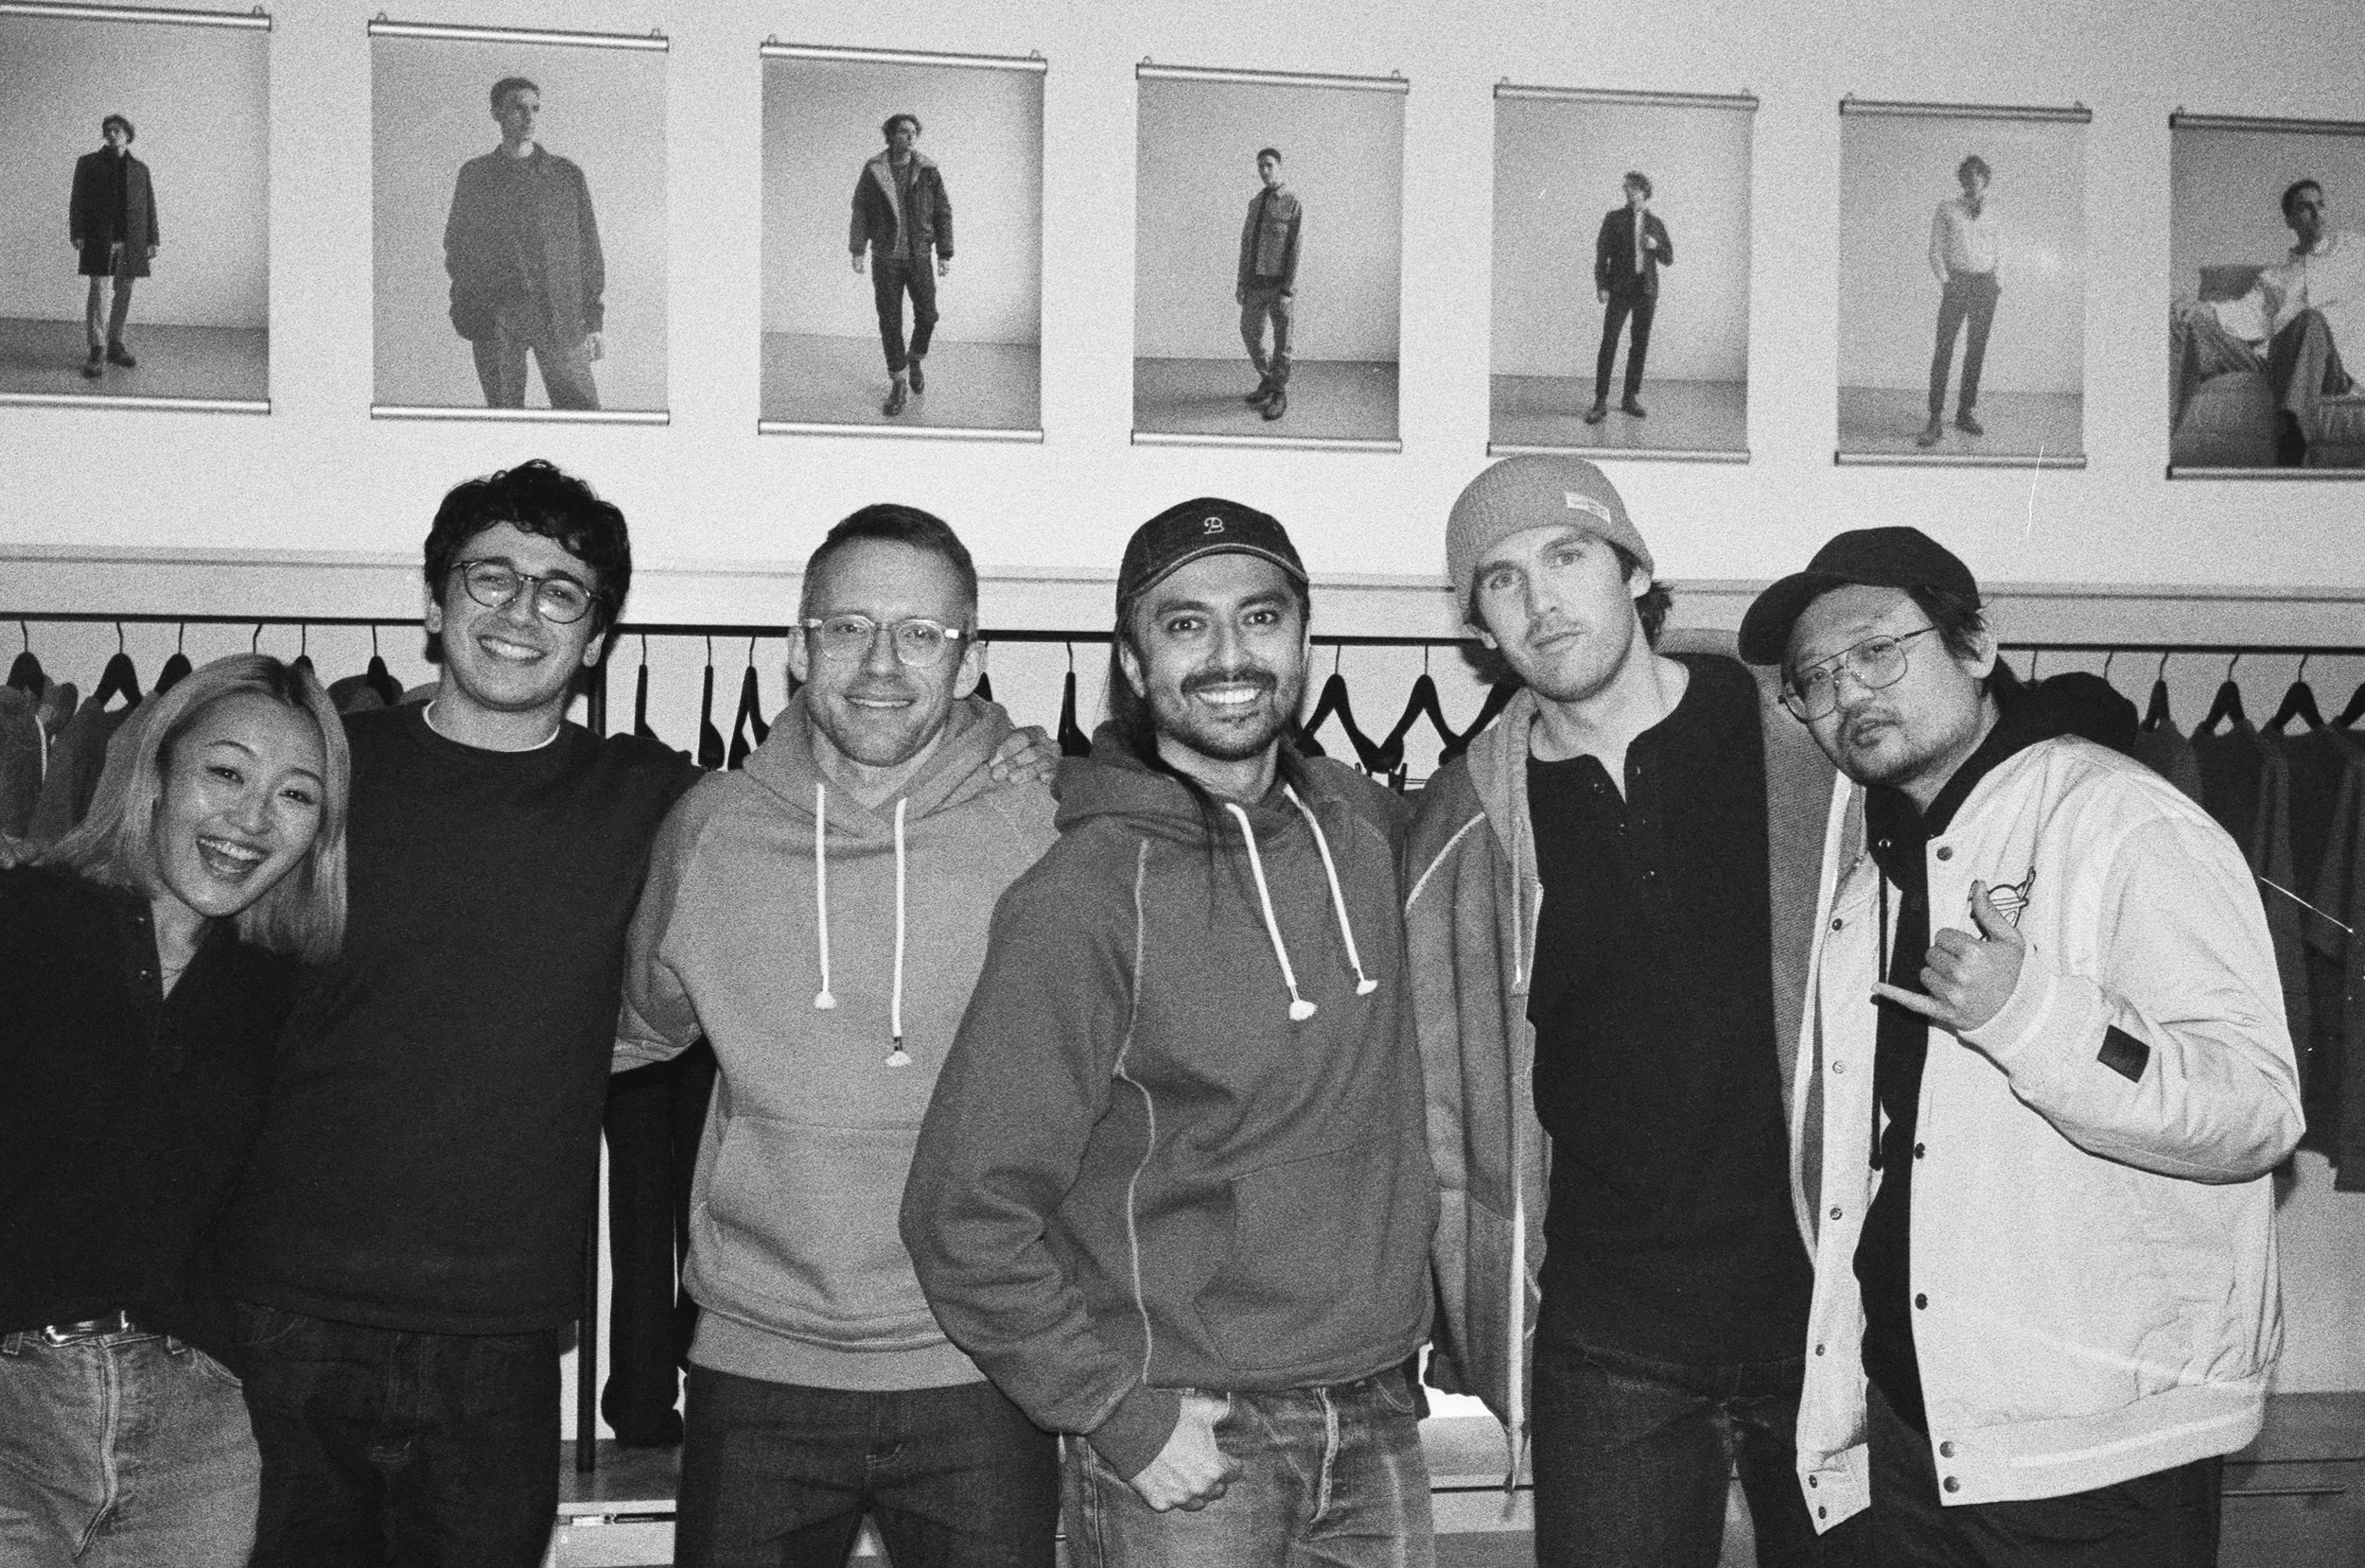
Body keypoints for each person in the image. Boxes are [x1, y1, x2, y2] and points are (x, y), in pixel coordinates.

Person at [1737, 527, 2303, 1564]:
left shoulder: (2121, 820)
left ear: (1976, 646)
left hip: (2097, 1457)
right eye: (1814, 679)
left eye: (1876, 650)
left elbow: (2255, 1109)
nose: (1847, 692)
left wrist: (2034, 1016)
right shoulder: (1873, 878)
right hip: (1914, 1434)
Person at [902, 498, 1438, 1567]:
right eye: (1186, 624)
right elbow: (962, 1209)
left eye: (1260, 617)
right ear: (1133, 662)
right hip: (1193, 1434)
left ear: (1304, 641)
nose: (1229, 655)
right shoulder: (1084, 892)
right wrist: (1113, 1410)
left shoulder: (1371, 831)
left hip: (1380, 1413)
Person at [211, 461, 696, 1566]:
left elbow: (816, 802)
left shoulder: (648, 799)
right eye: (491, 576)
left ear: (597, 637)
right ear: (434, 604)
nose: (522, 609)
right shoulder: (323, 775)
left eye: (561, 590)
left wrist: (1002, 751)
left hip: (501, 1336)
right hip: (282, 1311)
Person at [1406, 455, 1845, 1568]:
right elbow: (1439, 1094)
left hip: (1828, 1318)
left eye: (1566, 556)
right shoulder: (1465, 821)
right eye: (1500, 579)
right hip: (1608, 1344)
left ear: (1635, 571)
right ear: (1478, 626)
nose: (1540, 600)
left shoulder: (1805, 748)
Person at [617, 504, 1061, 1567]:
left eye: (921, 634)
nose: (881, 665)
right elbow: (627, 1034)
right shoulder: (712, 829)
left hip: (984, 1363)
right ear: (798, 644)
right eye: (849, 627)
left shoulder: (1046, 827)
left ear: (971, 658)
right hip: (755, 1367)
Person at [1, 653, 349, 1568]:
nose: (252, 819)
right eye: (226, 773)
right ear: (155, 773)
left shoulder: (286, 992)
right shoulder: (20, 919)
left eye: (296, 796)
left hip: (195, 1438)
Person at [445, 77, 606, 411]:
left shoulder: (565, 176)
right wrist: (469, 307)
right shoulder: (476, 176)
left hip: (559, 313)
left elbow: (588, 250)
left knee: (581, 414)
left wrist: (593, 321)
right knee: (505, 416)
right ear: (496, 113)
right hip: (497, 317)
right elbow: (458, 246)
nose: (529, 117)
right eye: (518, 108)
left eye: (535, 108)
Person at [2242, 180, 2359, 466]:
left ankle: (2292, 440)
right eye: (2305, 208)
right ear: (2290, 221)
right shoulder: (2274, 277)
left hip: (2335, 368)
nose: (2317, 214)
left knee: (2310, 320)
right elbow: (2244, 314)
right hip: (2281, 358)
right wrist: (2203, 310)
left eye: (2320, 204)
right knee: (2186, 325)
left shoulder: (2353, 250)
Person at [851, 113, 954, 418]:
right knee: (890, 320)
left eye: (913, 132)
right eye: (903, 131)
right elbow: (860, 210)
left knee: (928, 315)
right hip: (886, 259)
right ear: (890, 135)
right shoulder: (874, 170)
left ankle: (915, 359)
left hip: (919, 256)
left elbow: (943, 211)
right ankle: (898, 381)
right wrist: (858, 249)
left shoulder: (928, 171)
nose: (910, 137)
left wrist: (944, 253)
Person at [68, 113, 158, 381]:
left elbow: (149, 206)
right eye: (107, 130)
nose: (111, 134)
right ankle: (97, 348)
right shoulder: (88, 163)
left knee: (125, 291)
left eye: (116, 130)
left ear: (127, 134)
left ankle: (115, 344)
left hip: (132, 240)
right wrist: (77, 232)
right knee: (98, 290)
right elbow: (77, 200)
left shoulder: (140, 169)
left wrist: (152, 240)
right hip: (98, 238)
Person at [1918, 155, 1999, 448]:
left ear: (1985, 180)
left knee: (1976, 351)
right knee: (1944, 349)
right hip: (1957, 284)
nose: (1974, 182)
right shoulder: (1947, 209)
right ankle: (1934, 419)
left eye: (1979, 177)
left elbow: (1999, 249)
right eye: (1968, 176)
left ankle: (1965, 412)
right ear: (1962, 180)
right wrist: (1946, 281)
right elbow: (1934, 249)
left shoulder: (1994, 212)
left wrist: (1997, 282)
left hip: (1985, 286)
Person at [1586, 172, 1671, 425]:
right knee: (1609, 342)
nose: (1629, 192)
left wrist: (1655, 246)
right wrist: (1602, 286)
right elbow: (1602, 255)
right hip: (1620, 290)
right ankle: (1600, 400)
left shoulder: (1655, 223)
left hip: (1646, 290)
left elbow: (1668, 258)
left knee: (1639, 344)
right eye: (1627, 188)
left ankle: (1629, 398)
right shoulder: (1613, 219)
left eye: (1634, 188)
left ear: (1645, 191)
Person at [1237, 148, 1302, 422]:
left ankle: (1278, 393)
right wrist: (1241, 282)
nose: (1264, 171)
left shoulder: (1292, 202)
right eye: (1260, 166)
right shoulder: (1255, 203)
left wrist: (1288, 289)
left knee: (1282, 342)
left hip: (1279, 287)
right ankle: (1269, 380)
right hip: (1254, 284)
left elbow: (1295, 248)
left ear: (1279, 166)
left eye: (1269, 165)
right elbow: (1246, 245)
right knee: (1249, 332)